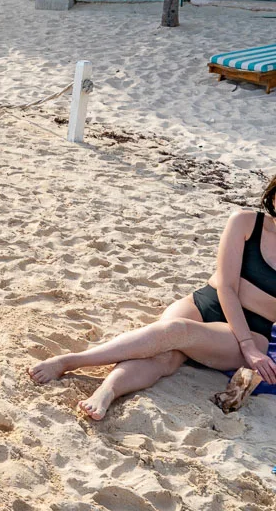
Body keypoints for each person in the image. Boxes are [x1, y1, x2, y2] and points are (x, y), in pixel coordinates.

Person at [29, 175, 276, 420]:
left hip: (250, 331)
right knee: (163, 355)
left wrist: (248, 346)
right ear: (273, 196)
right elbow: (226, 287)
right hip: (206, 303)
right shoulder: (245, 222)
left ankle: (74, 361)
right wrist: (247, 345)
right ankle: (105, 389)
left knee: (176, 331)